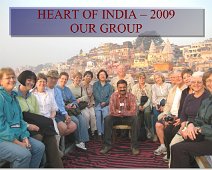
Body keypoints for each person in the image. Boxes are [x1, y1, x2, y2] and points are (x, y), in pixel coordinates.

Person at [17, 70, 63, 168]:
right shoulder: (15, 96)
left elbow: (37, 115)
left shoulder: (32, 97)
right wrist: (28, 125)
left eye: (33, 81)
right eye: (29, 80)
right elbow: (14, 118)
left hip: (34, 124)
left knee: (50, 135)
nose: (32, 83)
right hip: (21, 126)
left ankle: (57, 166)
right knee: (40, 137)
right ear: (22, 79)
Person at [0, 67, 45, 168]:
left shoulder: (14, 97)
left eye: (13, 77)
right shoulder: (1, 97)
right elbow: (1, 127)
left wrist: (24, 136)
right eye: (8, 78)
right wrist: (18, 143)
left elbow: (19, 121)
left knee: (39, 148)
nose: (11, 80)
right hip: (3, 139)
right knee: (24, 155)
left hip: (15, 135)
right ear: (0, 81)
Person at [170, 69, 212, 168]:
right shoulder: (208, 101)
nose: (211, 83)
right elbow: (197, 118)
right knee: (176, 145)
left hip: (209, 139)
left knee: (179, 149)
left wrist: (200, 129)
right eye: (209, 81)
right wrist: (190, 125)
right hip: (203, 136)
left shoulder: (206, 97)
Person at [100, 79, 139, 155]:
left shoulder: (132, 96)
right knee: (107, 119)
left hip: (128, 118)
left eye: (124, 87)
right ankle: (107, 145)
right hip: (116, 118)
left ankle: (134, 146)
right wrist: (124, 113)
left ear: (126, 87)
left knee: (136, 119)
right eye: (120, 87)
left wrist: (120, 112)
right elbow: (111, 111)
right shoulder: (113, 96)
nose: (122, 89)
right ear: (117, 88)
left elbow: (133, 111)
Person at [163, 68, 193, 162]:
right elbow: (182, 108)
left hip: (189, 121)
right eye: (184, 77)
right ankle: (169, 154)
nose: (186, 79)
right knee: (167, 130)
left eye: (188, 76)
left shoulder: (197, 91)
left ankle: (175, 155)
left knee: (173, 131)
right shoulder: (184, 92)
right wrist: (178, 118)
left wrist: (181, 120)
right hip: (179, 117)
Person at [154, 70, 186, 156]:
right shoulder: (173, 89)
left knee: (168, 128)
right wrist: (165, 114)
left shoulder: (186, 90)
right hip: (171, 114)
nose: (178, 78)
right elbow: (167, 104)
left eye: (180, 76)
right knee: (158, 124)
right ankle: (163, 145)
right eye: (176, 77)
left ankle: (171, 149)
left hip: (178, 116)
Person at [56, 72, 89, 150]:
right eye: (62, 79)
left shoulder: (67, 89)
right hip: (64, 112)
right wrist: (65, 106)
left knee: (82, 118)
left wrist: (74, 104)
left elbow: (74, 100)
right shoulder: (56, 89)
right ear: (59, 79)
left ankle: (83, 141)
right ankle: (78, 141)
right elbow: (57, 104)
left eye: (65, 79)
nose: (64, 80)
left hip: (72, 109)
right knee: (75, 120)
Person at [46, 70, 77, 136]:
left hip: (59, 113)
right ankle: (59, 141)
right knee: (63, 127)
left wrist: (66, 115)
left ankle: (59, 137)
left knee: (73, 126)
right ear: (47, 78)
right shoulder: (44, 89)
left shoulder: (57, 90)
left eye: (55, 78)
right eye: (51, 78)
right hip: (50, 114)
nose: (53, 80)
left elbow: (61, 104)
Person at [93, 69, 113, 139]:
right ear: (98, 76)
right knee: (98, 116)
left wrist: (106, 102)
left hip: (106, 104)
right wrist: (101, 102)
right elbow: (95, 94)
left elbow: (111, 96)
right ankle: (99, 133)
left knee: (105, 116)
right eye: (101, 74)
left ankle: (105, 132)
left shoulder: (109, 86)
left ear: (106, 76)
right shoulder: (95, 85)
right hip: (98, 104)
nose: (102, 76)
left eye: (104, 74)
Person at [151, 72, 171, 141]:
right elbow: (153, 98)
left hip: (167, 103)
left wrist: (165, 106)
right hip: (157, 104)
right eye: (156, 78)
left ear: (162, 77)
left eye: (158, 77)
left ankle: (165, 133)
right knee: (156, 115)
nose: (157, 79)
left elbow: (170, 97)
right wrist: (158, 105)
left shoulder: (168, 85)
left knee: (165, 115)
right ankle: (156, 134)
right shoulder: (153, 86)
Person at [132, 72, 152, 140]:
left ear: (145, 78)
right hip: (138, 103)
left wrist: (144, 106)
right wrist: (139, 105)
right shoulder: (134, 87)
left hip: (147, 103)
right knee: (136, 113)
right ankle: (135, 131)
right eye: (140, 78)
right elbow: (133, 98)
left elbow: (150, 98)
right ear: (138, 79)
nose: (142, 79)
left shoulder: (148, 86)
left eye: (143, 78)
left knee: (147, 112)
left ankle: (148, 130)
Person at [81, 71, 97, 137]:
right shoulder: (80, 85)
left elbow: (92, 97)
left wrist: (92, 104)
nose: (88, 77)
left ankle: (93, 131)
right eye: (87, 76)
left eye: (90, 76)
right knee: (87, 116)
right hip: (83, 105)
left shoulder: (91, 86)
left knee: (93, 115)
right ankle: (87, 130)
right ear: (84, 77)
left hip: (90, 105)